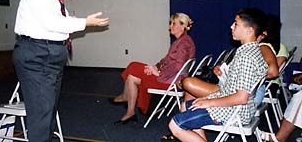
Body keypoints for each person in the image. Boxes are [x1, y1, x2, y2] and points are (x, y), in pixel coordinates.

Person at [13, 0, 109, 142]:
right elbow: (52, 23)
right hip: (37, 57)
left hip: (48, 57)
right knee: (42, 115)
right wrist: (85, 22)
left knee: (48, 112)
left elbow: (58, 23)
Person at [166, 8, 268, 142]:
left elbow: (241, 98)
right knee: (185, 106)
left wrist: (209, 102)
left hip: (234, 111)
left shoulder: (246, 57)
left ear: (249, 30)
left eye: (236, 24)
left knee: (175, 125)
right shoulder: (253, 51)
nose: (231, 26)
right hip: (238, 107)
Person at [110, 13, 196, 124]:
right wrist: (156, 67)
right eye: (170, 23)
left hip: (171, 82)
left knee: (132, 70)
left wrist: (158, 73)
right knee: (132, 72)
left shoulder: (183, 43)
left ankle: (126, 99)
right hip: (172, 78)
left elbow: (178, 66)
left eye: (173, 24)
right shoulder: (183, 40)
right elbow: (166, 60)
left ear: (183, 26)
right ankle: (129, 108)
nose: (170, 26)